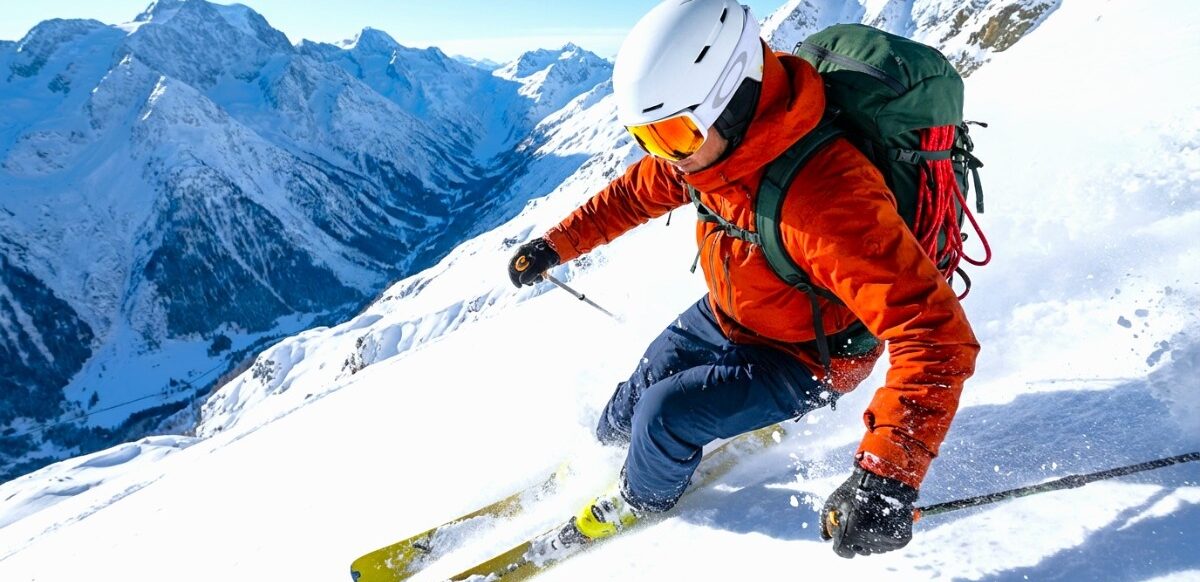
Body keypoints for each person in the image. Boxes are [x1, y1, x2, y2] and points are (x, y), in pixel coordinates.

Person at [507, 0, 979, 559]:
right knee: (642, 386)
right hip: (732, 313)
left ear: (731, 97)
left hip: (805, 355)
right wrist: (555, 244)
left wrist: (887, 477)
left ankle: (641, 497)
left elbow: (934, 334)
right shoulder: (708, 149)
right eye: (646, 136)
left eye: (672, 136)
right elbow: (637, 191)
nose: (666, 156)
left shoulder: (828, 199)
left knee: (665, 416)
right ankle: (609, 449)